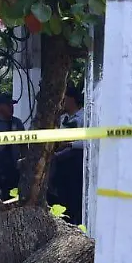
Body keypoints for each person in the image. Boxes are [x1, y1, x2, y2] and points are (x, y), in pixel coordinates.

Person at [50, 86, 86, 225]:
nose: (62, 103)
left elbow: (87, 142)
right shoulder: (62, 118)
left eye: (64, 99)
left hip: (75, 163)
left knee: (74, 198)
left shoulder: (84, 117)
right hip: (60, 163)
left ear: (71, 100)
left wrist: (69, 144)